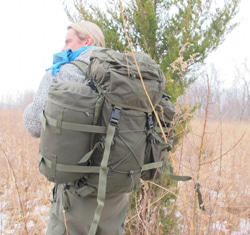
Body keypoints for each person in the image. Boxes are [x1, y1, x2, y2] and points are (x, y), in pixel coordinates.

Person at [23, 21, 129, 235]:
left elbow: (34, 124)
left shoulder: (64, 71)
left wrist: (28, 108)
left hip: (75, 193)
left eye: (68, 40)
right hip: (117, 189)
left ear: (87, 40)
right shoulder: (125, 74)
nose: (63, 48)